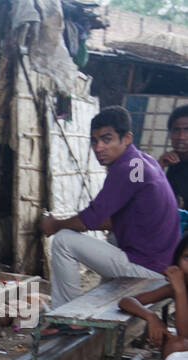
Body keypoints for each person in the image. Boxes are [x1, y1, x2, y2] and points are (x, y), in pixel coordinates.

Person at [40, 106, 181, 322]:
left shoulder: (127, 169)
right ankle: (93, 316)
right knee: (112, 242)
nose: (99, 147)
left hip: (150, 268)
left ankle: (64, 317)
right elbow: (112, 220)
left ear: (126, 138)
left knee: (63, 241)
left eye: (107, 139)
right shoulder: (142, 161)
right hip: (162, 264)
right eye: (94, 141)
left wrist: (55, 225)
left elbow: (90, 219)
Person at [116, 233, 188, 360]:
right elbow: (126, 301)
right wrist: (151, 317)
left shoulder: (179, 288)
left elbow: (184, 337)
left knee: (176, 346)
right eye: (187, 258)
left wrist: (181, 292)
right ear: (177, 260)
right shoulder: (175, 287)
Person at [156, 104, 188, 211]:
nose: (181, 137)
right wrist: (159, 167)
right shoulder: (173, 165)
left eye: (187, 130)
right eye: (176, 130)